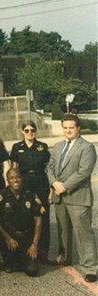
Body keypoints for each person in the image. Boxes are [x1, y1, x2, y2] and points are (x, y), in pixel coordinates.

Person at [48, 114, 97, 282]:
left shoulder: (87, 147)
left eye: (71, 127)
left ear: (78, 128)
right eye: (66, 127)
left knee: (83, 233)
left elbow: (84, 172)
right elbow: (50, 167)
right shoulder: (57, 146)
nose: (68, 130)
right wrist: (54, 183)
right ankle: (65, 257)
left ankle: (90, 267)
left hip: (77, 197)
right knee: (63, 230)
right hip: (59, 196)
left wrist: (64, 186)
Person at [10, 120, 51, 263]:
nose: (30, 133)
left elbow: (48, 167)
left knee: (43, 216)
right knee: (26, 216)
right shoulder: (17, 147)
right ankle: (26, 249)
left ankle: (43, 252)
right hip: (25, 185)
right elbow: (14, 169)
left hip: (40, 184)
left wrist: (51, 189)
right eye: (26, 130)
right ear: (22, 131)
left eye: (32, 130)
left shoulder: (42, 147)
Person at [0, 168, 43, 277]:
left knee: (32, 270)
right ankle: (9, 259)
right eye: (12, 178)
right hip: (8, 238)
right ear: (7, 180)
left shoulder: (31, 195)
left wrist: (34, 244)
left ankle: (22, 259)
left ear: (22, 178)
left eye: (18, 177)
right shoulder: (1, 196)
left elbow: (38, 220)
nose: (15, 180)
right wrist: (8, 238)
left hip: (26, 237)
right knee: (10, 267)